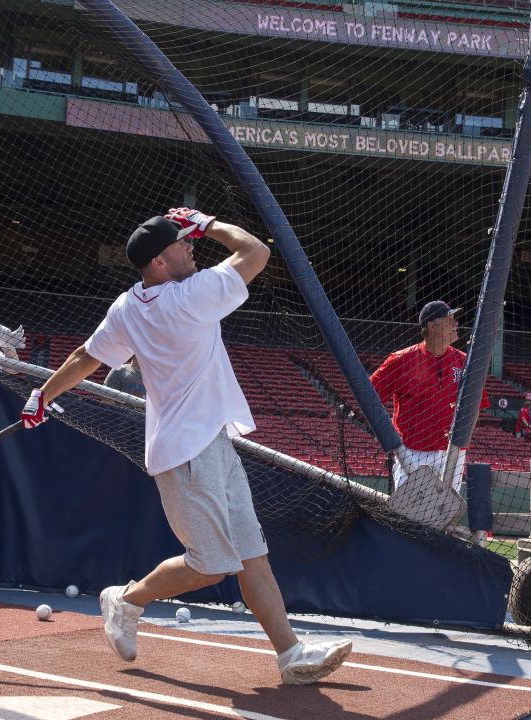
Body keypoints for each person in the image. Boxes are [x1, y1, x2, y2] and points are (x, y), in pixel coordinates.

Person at [19, 207, 352, 685]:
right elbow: (255, 251)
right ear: (158, 262)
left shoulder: (128, 305)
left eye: (190, 239)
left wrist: (41, 394)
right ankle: (126, 600)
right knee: (211, 566)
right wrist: (208, 220)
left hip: (211, 442)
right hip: (185, 453)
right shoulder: (191, 296)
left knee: (251, 556)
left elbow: (84, 357)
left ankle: (291, 655)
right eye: (181, 242)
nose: (191, 245)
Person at [370, 300, 488, 493]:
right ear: (432, 326)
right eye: (449, 320)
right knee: (407, 513)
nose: (456, 324)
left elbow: (475, 405)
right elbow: (369, 398)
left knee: (445, 514)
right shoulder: (401, 360)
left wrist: (462, 443)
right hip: (411, 451)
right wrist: (390, 437)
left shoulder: (465, 360)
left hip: (453, 452)